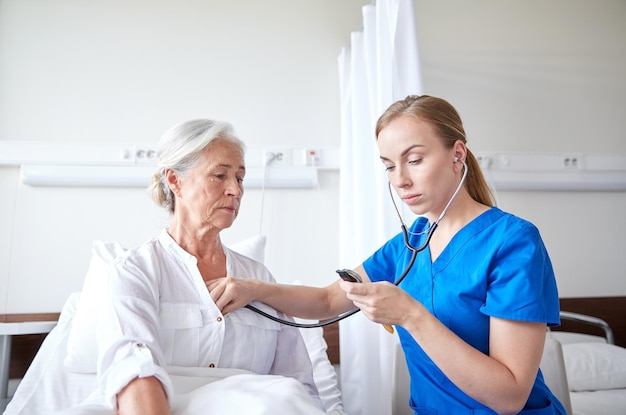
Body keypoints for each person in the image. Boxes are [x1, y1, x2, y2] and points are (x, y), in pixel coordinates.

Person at [209, 95, 567, 414]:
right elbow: (328, 300)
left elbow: (509, 397)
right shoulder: (411, 243)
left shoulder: (513, 242)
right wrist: (253, 289)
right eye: (389, 166)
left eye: (414, 160)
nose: (400, 180)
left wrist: (410, 315)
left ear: (457, 155)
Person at [95, 119, 322, 415]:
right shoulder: (135, 272)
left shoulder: (258, 279)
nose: (235, 191)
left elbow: (297, 384)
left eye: (240, 179)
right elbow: (135, 372)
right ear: (175, 181)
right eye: (219, 176)